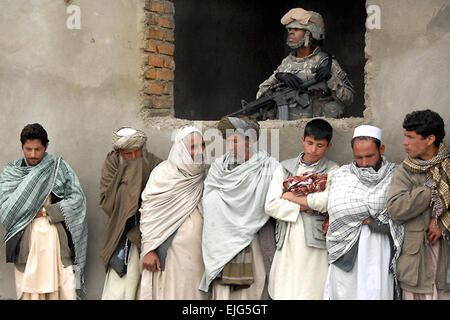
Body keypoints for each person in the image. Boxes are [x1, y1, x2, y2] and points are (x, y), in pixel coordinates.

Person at [0, 123, 87, 300]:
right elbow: (6, 210)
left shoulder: (58, 168)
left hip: (54, 237)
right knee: (29, 290)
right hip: (25, 239)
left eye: (37, 149)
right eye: (28, 149)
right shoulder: (11, 172)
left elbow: (77, 200)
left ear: (46, 146)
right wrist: (30, 212)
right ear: (22, 146)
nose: (32, 154)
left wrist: (47, 211)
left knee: (64, 287)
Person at [199, 116, 279, 299]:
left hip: (253, 241)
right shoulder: (218, 167)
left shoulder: (268, 167)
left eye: (235, 141)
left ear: (250, 141)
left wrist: (239, 215)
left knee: (253, 291)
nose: (230, 147)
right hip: (220, 244)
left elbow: (271, 202)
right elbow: (209, 201)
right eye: (228, 141)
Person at [324, 125, 404, 300]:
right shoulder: (342, 175)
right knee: (346, 292)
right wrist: (365, 216)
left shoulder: (396, 175)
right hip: (346, 248)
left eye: (369, 156)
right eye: (359, 157)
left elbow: (399, 213)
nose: (365, 163)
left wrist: (372, 222)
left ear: (381, 149)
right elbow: (338, 209)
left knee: (377, 291)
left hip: (380, 247)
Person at [264, 119, 339, 299]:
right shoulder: (285, 168)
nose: (313, 150)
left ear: (329, 146)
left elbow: (327, 202)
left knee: (312, 290)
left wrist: (291, 197)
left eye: (320, 145)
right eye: (310, 143)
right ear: (303, 140)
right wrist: (306, 206)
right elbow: (271, 205)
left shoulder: (333, 170)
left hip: (314, 242)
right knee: (285, 289)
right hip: (287, 237)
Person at [139, 126, 209, 300]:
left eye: (203, 145)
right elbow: (149, 214)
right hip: (168, 253)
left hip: (198, 255)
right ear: (181, 149)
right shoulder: (163, 174)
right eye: (193, 147)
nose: (200, 151)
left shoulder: (205, 174)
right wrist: (149, 250)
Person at [387, 109, 450, 300]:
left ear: (430, 139)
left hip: (445, 258)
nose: (404, 142)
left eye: (410, 137)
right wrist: (429, 189)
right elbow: (396, 209)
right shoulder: (405, 170)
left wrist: (443, 222)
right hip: (417, 264)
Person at [256, 8, 354, 120]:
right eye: (290, 29)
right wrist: (278, 77)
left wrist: (331, 79)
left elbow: (349, 98)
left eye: (297, 29)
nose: (291, 32)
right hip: (287, 129)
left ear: (311, 34)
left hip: (314, 130)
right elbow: (260, 95)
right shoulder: (286, 63)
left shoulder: (326, 63)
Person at [99, 127, 162, 300]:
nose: (134, 158)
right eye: (128, 154)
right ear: (118, 152)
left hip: (149, 238)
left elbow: (161, 201)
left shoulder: (154, 164)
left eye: (137, 152)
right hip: (120, 235)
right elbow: (107, 202)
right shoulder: (112, 164)